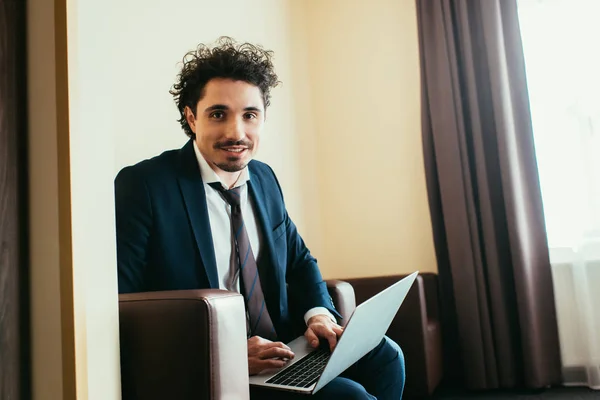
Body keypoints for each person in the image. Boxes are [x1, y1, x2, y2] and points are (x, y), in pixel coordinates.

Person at [115, 37, 405, 399]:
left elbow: (299, 261)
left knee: (388, 357)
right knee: (351, 397)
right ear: (191, 117)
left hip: (282, 346)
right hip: (204, 365)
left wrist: (318, 315)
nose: (236, 133)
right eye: (218, 114)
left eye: (249, 115)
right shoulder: (144, 185)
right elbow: (123, 306)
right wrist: (224, 354)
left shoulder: (264, 179)